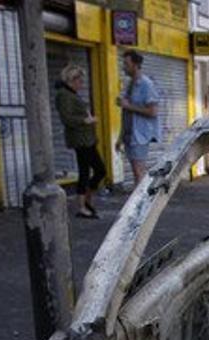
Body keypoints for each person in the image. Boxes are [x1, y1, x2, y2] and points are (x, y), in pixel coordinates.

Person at [54, 64, 105, 219]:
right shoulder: (64, 95)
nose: (82, 84)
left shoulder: (70, 93)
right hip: (80, 140)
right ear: (72, 80)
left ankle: (86, 203)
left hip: (86, 138)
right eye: (80, 81)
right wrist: (86, 120)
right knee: (97, 170)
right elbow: (66, 118)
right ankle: (84, 205)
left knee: (91, 171)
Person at [116, 50, 160, 185]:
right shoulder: (130, 84)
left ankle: (141, 204)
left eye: (126, 64)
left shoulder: (146, 84)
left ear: (136, 65)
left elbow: (153, 111)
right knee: (137, 171)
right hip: (129, 134)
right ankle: (141, 201)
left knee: (138, 172)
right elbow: (126, 114)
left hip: (140, 134)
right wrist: (120, 137)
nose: (124, 67)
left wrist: (128, 106)